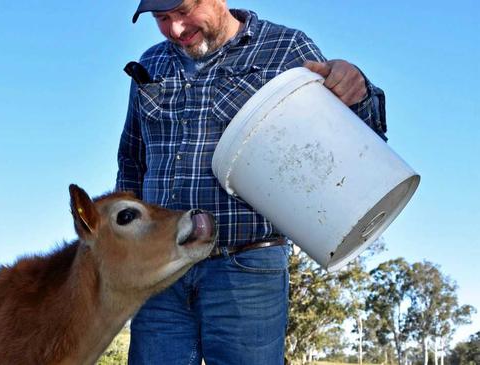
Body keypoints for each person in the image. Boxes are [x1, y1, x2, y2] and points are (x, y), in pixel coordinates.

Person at [116, 0, 387, 364]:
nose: (175, 30)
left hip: (245, 268)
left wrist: (359, 90)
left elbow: (355, 139)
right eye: (162, 19)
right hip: (159, 270)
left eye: (182, 13)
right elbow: (132, 162)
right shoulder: (151, 63)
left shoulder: (285, 49)